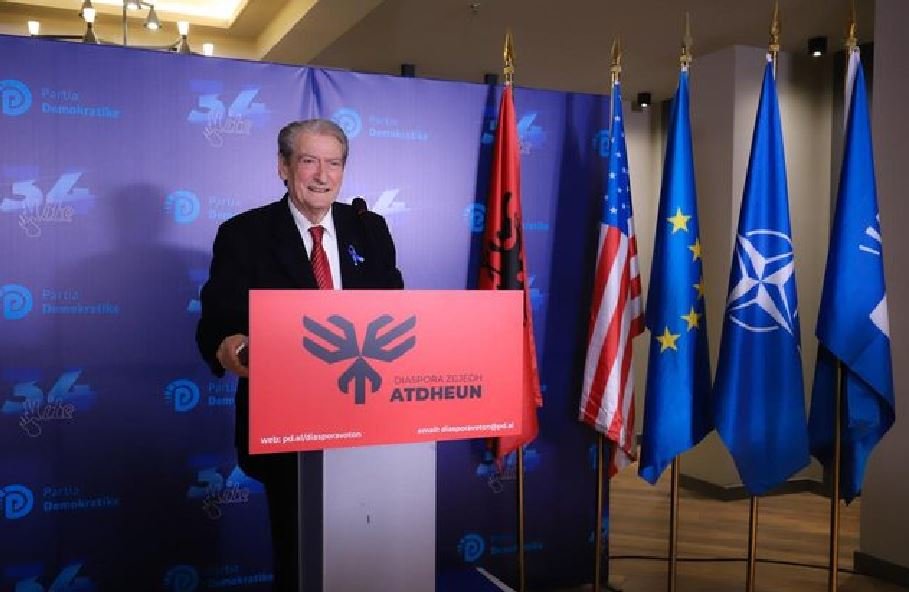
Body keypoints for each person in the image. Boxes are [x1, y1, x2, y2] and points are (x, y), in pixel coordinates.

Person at [195, 118, 404, 591]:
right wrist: (232, 346)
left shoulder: (370, 228)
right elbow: (218, 321)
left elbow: (395, 309)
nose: (322, 175)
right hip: (288, 426)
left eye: (334, 163)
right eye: (309, 161)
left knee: (366, 552)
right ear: (283, 167)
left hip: (367, 417)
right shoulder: (243, 233)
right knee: (300, 553)